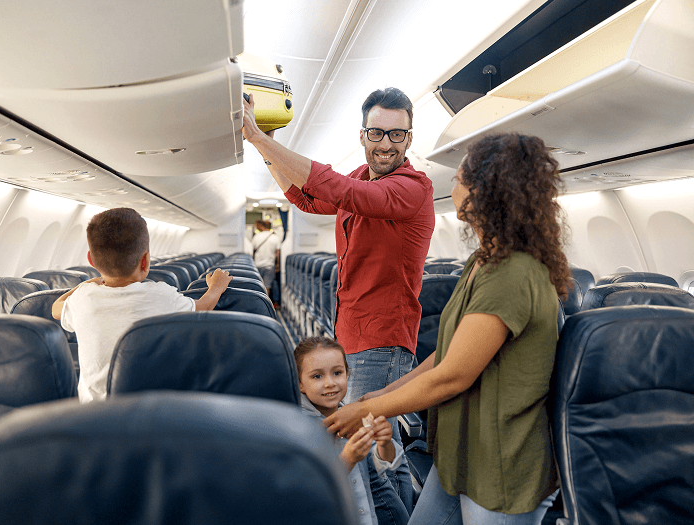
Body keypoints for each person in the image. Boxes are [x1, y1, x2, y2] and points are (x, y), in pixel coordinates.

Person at [324, 133, 571, 524]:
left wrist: (365, 408)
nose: (450, 187)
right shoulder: (484, 260)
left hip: (500, 468)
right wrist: (388, 391)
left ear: (487, 191)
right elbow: (450, 351)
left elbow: (453, 376)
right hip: (461, 453)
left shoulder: (512, 273)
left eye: (458, 179)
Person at [243, 87, 434, 514]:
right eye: (377, 132)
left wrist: (260, 137)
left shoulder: (412, 188)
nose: (386, 143)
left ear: (409, 138)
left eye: (397, 135)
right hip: (351, 332)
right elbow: (306, 198)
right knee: (381, 451)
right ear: (363, 134)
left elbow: (340, 191)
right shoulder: (363, 178)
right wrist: (264, 146)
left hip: (382, 340)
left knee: (371, 456)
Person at [52, 207, 232, 403]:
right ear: (146, 261)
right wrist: (216, 287)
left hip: (94, 416)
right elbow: (202, 308)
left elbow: (56, 308)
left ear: (91, 260)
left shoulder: (83, 299)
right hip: (150, 410)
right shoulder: (162, 295)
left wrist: (88, 283)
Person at [295, 336, 408, 525]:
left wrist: (384, 443)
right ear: (299, 383)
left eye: (337, 373)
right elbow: (305, 492)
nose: (330, 383)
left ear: (347, 374)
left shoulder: (353, 417)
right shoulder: (298, 428)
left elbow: (388, 465)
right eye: (317, 376)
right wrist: (347, 460)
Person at [251, 219, 281, 298]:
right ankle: (266, 304)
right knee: (267, 286)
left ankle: (258, 303)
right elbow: (277, 253)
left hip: (257, 265)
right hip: (269, 265)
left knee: (257, 285)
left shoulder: (256, 236)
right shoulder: (275, 237)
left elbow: (252, 251)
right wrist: (278, 265)